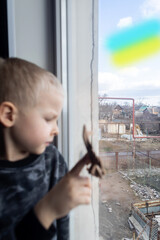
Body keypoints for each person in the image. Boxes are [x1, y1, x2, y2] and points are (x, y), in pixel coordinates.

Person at [0, 58, 91, 240]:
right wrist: (47, 209)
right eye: (49, 119)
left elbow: (62, 220)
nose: (56, 130)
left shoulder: (52, 159)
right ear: (9, 115)